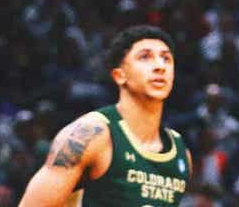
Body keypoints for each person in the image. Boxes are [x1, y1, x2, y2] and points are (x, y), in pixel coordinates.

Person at [18, 25, 191, 207]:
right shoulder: (89, 135)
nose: (159, 66)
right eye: (145, 57)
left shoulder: (181, 153)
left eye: (166, 58)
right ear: (119, 75)